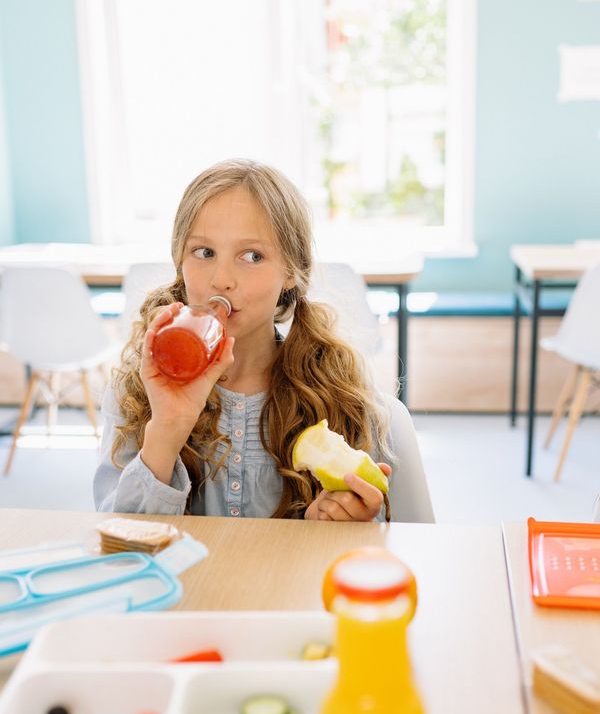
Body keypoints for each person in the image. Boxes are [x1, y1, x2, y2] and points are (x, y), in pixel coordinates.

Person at [94, 159, 434, 523]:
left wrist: (337, 525)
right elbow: (122, 545)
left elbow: (384, 547)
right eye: (204, 252)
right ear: (180, 261)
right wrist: (166, 430)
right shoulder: (136, 392)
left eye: (252, 256)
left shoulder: (341, 396)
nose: (221, 279)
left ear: (291, 271)